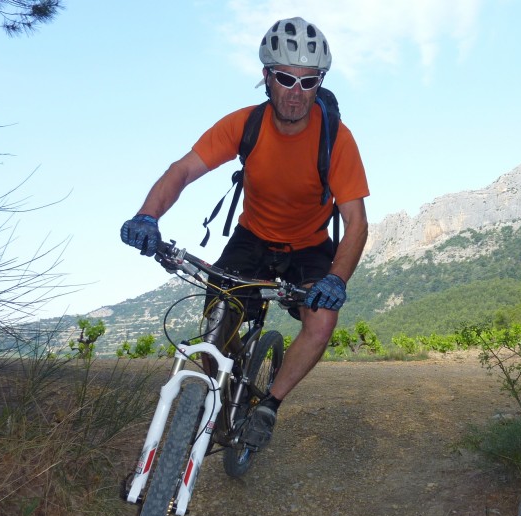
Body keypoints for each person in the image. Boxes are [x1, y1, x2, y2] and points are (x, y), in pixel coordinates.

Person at [120, 16, 369, 450]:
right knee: (218, 323)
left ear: (320, 83)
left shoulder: (336, 139)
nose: (296, 92)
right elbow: (182, 171)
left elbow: (357, 222)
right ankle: (218, 379)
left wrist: (336, 279)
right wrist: (148, 215)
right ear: (267, 77)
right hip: (251, 238)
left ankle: (269, 405)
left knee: (323, 319)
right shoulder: (245, 124)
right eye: (286, 78)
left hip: (309, 246)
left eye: (309, 82)